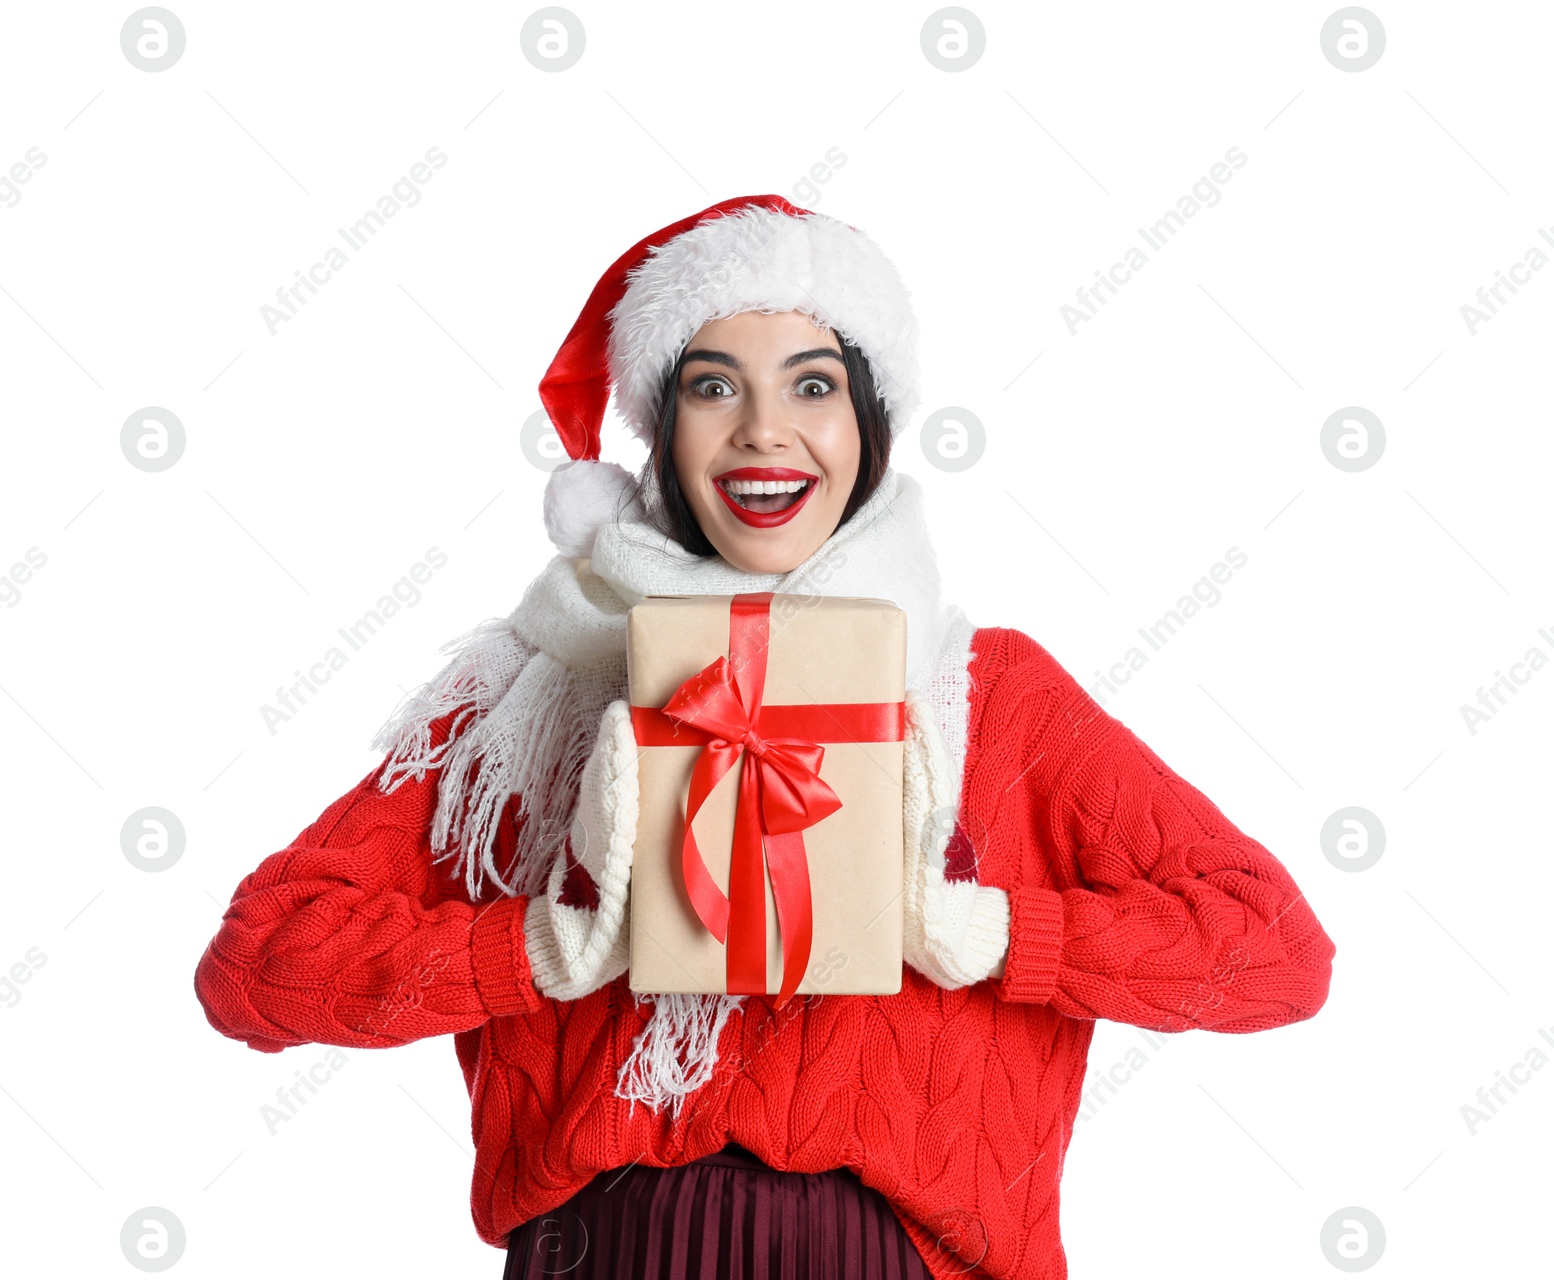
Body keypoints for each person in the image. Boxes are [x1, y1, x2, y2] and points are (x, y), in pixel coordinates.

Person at [194, 194, 1337, 1279]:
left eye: (812, 383)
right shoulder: (527, 700)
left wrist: (985, 929)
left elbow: (1273, 951)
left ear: (868, 422)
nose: (763, 432)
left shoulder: (985, 699)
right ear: (662, 425)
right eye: (712, 385)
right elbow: (257, 967)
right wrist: (540, 948)